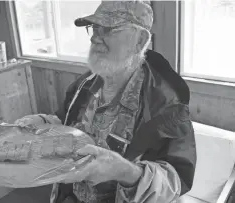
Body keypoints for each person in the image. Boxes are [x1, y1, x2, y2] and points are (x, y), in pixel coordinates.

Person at [15, 1, 197, 203]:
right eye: (94, 28)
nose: (94, 38)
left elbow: (175, 182)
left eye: (109, 29)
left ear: (140, 40)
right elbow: (66, 122)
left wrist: (125, 171)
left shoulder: (167, 106)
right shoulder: (85, 84)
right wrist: (44, 122)